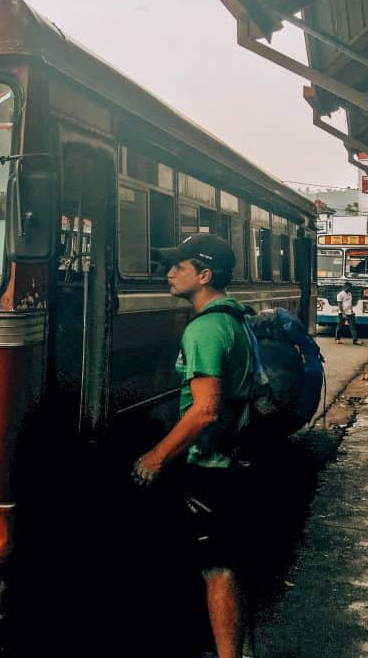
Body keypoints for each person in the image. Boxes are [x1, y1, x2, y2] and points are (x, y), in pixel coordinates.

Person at [132, 233, 253, 658]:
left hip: (210, 466)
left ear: (204, 275)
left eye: (178, 266)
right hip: (232, 458)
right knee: (220, 562)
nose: (168, 272)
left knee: (216, 568)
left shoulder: (205, 328)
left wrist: (156, 456)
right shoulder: (235, 320)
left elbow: (205, 411)